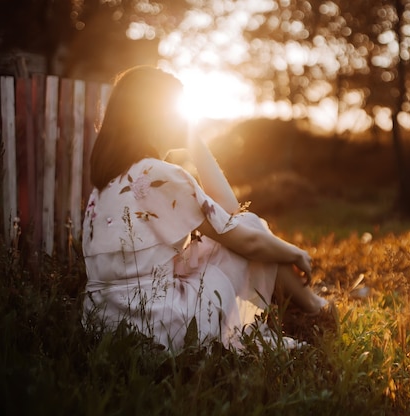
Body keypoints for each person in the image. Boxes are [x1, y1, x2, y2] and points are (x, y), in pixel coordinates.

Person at [81, 65, 328, 353]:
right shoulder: (156, 173)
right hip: (161, 326)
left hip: (103, 326)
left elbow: (222, 217)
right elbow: (235, 221)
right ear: (154, 118)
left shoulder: (104, 186)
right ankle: (315, 307)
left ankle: (312, 305)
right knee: (249, 226)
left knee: (231, 234)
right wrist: (296, 252)